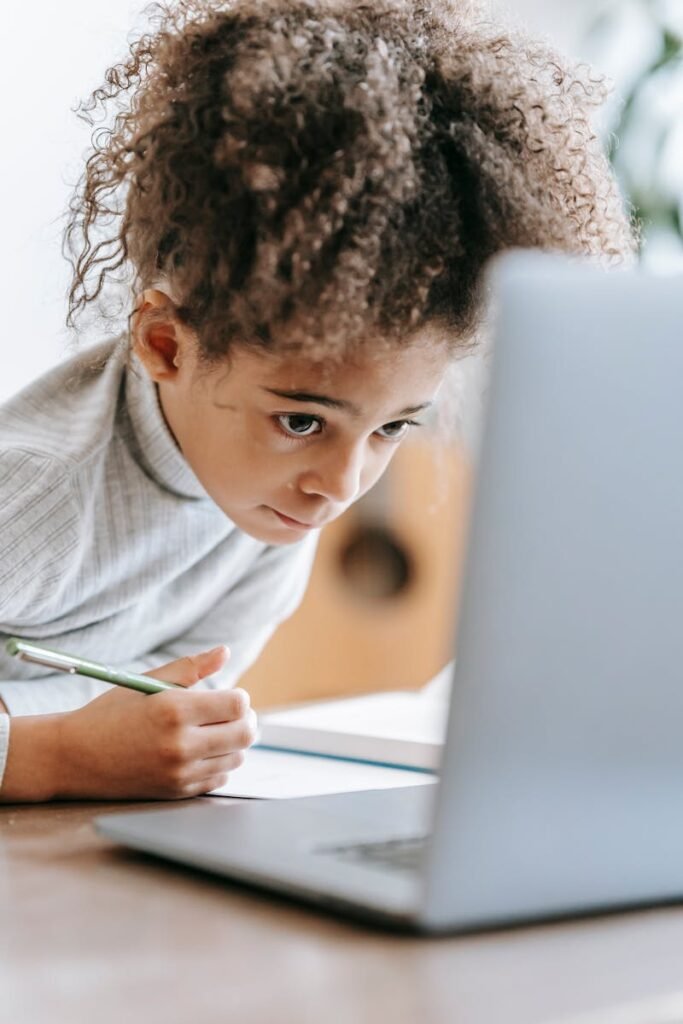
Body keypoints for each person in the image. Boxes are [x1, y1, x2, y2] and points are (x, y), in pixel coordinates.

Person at [0, 0, 634, 802]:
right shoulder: (37, 493)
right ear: (165, 345)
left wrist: (62, 720)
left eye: (394, 427)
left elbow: (171, 696)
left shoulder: (269, 501)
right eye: (301, 420)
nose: (341, 484)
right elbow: (107, 719)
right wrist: (50, 755)